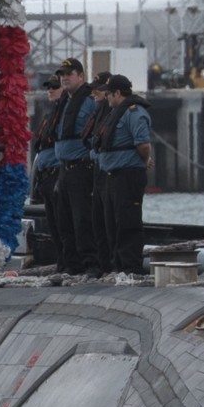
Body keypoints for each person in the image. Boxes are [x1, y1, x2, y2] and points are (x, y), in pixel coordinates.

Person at [93, 75, 153, 275]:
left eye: (109, 94)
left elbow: (143, 145)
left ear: (118, 93)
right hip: (112, 176)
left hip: (128, 176)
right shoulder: (116, 113)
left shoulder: (134, 112)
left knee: (128, 223)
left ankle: (130, 267)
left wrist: (145, 161)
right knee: (112, 224)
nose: (107, 97)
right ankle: (118, 265)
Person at [49, 58, 100, 275]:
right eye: (62, 75)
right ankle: (72, 266)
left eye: (69, 74)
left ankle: (92, 265)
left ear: (81, 76)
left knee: (83, 220)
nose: (64, 78)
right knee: (65, 223)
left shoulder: (90, 101)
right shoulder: (65, 102)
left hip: (82, 168)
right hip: (64, 170)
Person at [81, 72, 118, 270]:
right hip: (98, 171)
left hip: (108, 173)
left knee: (109, 221)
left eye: (99, 89)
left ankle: (114, 265)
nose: (94, 92)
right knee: (98, 222)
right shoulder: (100, 111)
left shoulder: (113, 112)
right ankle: (105, 266)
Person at [31, 74, 64, 208]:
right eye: (49, 87)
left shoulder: (64, 114)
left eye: (55, 87)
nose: (50, 90)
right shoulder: (50, 115)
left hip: (57, 172)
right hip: (45, 174)